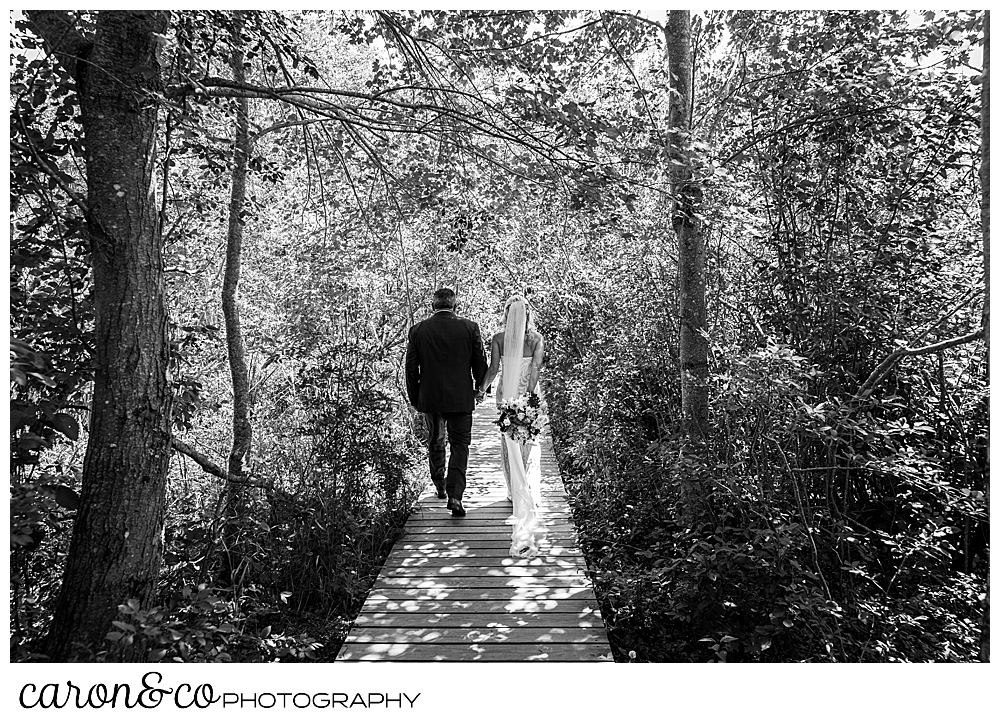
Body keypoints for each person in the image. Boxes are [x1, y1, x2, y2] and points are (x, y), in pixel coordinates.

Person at [405, 288, 488, 517]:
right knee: (460, 445)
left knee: (436, 440)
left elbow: (411, 369)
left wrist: (415, 398)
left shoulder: (418, 330)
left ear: (433, 305)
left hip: (430, 397)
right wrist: (481, 389)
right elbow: (480, 361)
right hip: (461, 397)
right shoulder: (469, 327)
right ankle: (455, 496)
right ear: (454, 305)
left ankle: (439, 484)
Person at [476, 295, 547, 557]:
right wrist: (530, 397)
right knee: (532, 440)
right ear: (528, 314)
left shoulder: (498, 338)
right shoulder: (536, 339)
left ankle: (512, 491)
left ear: (508, 314)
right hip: (529, 395)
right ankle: (529, 488)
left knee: (509, 444)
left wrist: (481, 390)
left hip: (506, 395)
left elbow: (494, 369)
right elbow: (536, 369)